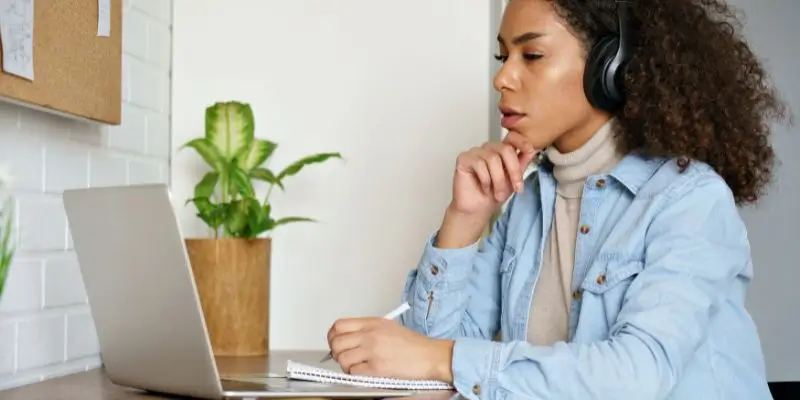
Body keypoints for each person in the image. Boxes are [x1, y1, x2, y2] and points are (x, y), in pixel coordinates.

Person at [326, 0, 789, 398]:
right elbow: (422, 363)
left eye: (532, 55)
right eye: (502, 56)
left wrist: (442, 359)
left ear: (610, 66)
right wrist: (463, 221)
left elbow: (637, 376)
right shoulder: (529, 200)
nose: (502, 78)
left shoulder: (689, 200)